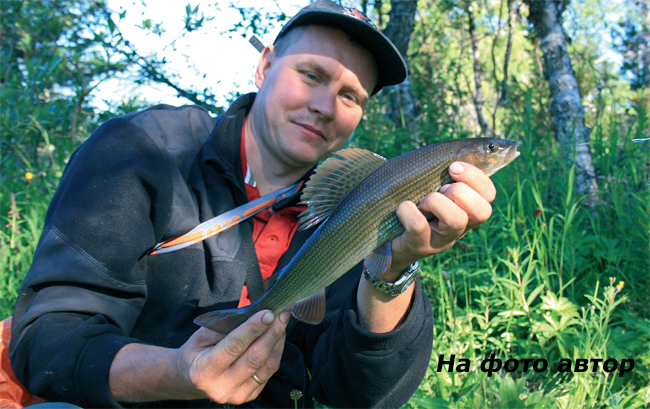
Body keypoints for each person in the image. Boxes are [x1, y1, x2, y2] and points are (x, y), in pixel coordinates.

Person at [8, 1, 496, 407]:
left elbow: (360, 391)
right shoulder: (141, 151)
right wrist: (177, 372)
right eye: (311, 75)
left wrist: (394, 270)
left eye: (351, 96)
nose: (325, 106)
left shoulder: (355, 202)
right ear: (264, 66)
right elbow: (48, 335)